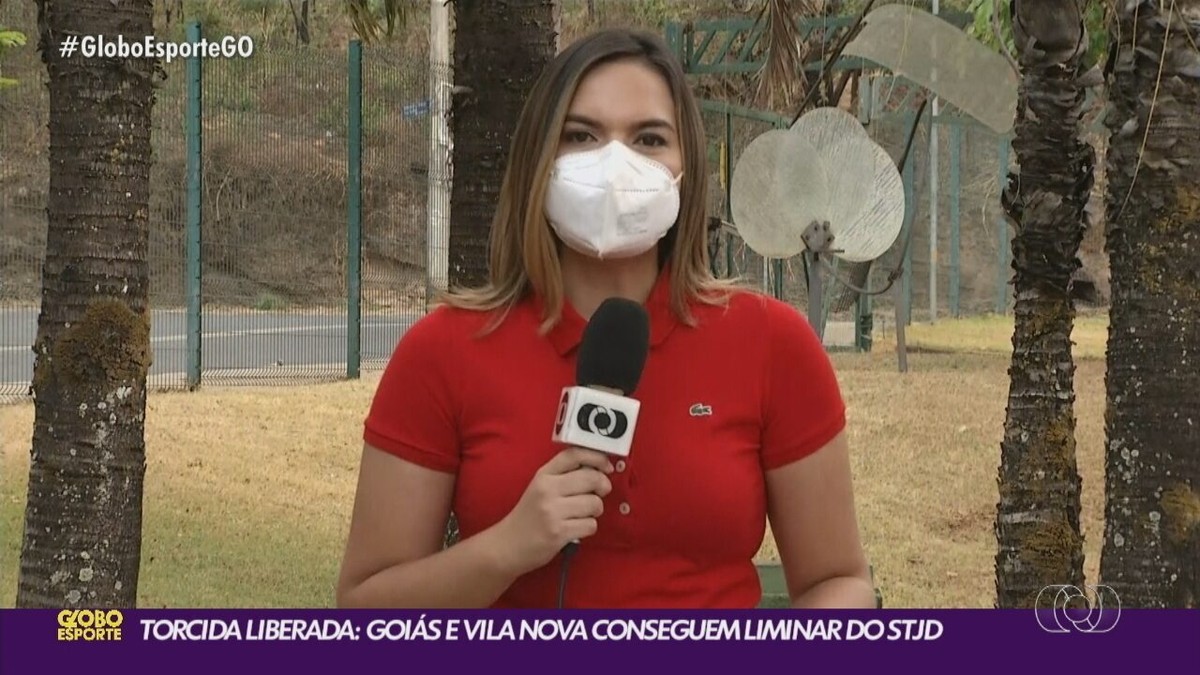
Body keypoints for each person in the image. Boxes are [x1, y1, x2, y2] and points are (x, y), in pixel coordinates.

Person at [335, 27, 875, 609]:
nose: (615, 163)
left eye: (648, 138)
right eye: (581, 135)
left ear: (685, 169)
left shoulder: (771, 343)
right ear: (539, 159)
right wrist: (509, 547)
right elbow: (365, 607)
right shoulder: (444, 351)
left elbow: (838, 583)